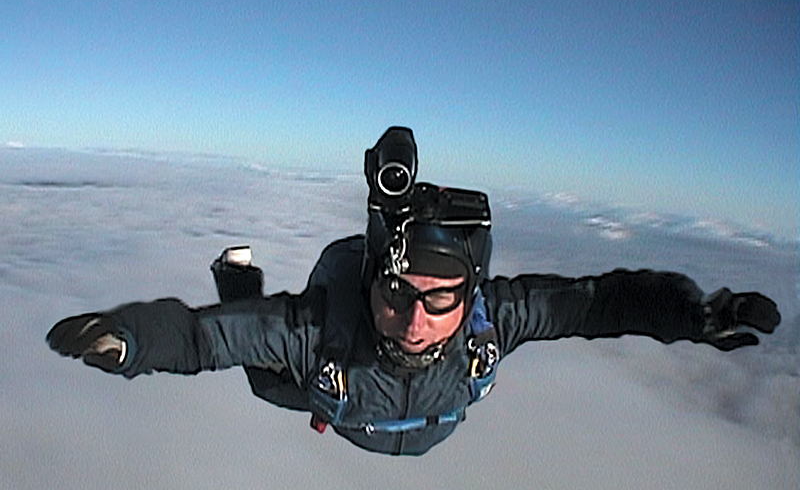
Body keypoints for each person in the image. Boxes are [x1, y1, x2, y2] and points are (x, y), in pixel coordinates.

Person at [47, 127, 781, 456]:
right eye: (398, 292)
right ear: (373, 278)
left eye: (440, 300)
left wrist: (693, 313)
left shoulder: (496, 324)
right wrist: (133, 338)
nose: (415, 320)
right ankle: (237, 275)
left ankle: (243, 284)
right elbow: (205, 338)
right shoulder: (320, 330)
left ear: (473, 294)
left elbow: (602, 302)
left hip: (387, 418)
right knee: (265, 378)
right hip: (338, 397)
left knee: (276, 371)